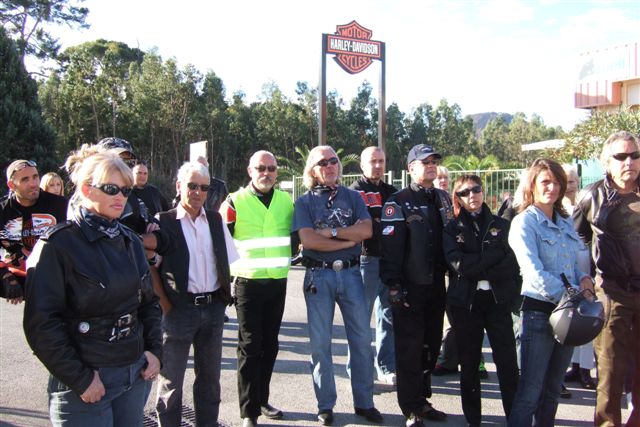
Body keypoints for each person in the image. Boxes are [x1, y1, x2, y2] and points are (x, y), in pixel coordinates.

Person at [22, 151, 162, 426]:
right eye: (111, 189)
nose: (120, 196)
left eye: (125, 190)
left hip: (133, 375)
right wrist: (80, 378)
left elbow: (149, 303)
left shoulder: (131, 242)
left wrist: (155, 351)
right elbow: (41, 324)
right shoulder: (57, 245)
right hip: (86, 384)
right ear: (86, 189)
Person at [291, 145, 382, 426]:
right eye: (323, 163)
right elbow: (308, 240)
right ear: (312, 170)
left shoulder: (353, 197)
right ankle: (325, 405)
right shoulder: (304, 202)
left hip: (353, 275)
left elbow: (366, 230)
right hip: (319, 277)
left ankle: (364, 402)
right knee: (320, 344)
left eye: (333, 161)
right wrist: (346, 241)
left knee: (362, 341)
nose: (330, 166)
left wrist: (331, 232)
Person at [507, 158, 593, 426]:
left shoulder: (565, 222)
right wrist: (571, 296)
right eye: (545, 182)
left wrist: (585, 279)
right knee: (530, 393)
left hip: (569, 317)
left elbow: (573, 264)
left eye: (557, 182)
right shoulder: (524, 223)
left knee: (553, 390)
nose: (552, 188)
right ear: (532, 185)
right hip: (539, 315)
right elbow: (533, 273)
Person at [154, 161, 239, 427]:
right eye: (192, 186)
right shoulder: (163, 221)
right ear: (179, 186)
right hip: (178, 310)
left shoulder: (215, 220)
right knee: (171, 381)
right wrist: (165, 304)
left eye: (204, 187)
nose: (198, 192)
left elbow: (227, 261)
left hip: (213, 310)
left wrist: (223, 298)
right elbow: (151, 268)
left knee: (210, 381)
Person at [380, 144, 453, 427]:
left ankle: (423, 399)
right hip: (410, 287)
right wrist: (394, 286)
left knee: (431, 346)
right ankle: (410, 407)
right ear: (411, 168)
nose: (431, 165)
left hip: (436, 285)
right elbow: (390, 249)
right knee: (409, 350)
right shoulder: (398, 201)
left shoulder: (443, 198)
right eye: (425, 162)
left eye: (434, 161)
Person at [219, 151, 294, 427]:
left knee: (270, 345)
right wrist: (223, 284)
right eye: (261, 168)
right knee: (250, 347)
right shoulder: (233, 202)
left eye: (271, 168)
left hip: (277, 282)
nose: (266, 173)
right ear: (250, 171)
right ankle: (248, 412)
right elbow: (220, 244)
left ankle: (262, 399)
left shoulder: (286, 201)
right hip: (247, 283)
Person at [573, 130, 640, 426]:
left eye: (635, 155)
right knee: (610, 374)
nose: (629, 162)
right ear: (606, 162)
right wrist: (585, 279)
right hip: (612, 293)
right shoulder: (591, 197)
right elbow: (575, 242)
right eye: (621, 156)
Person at [443, 174, 520, 427]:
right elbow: (459, 265)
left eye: (475, 189)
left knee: (507, 363)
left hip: (497, 302)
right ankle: (473, 420)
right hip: (466, 303)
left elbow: (511, 264)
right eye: (464, 192)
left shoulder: (502, 225)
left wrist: (479, 265)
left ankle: (515, 417)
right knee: (469, 364)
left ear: (483, 191)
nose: (471, 195)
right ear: (457, 198)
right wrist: (492, 257)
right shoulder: (451, 228)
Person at [349, 146, 398, 385]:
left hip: (390, 261)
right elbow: (362, 227)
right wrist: (378, 224)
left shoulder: (393, 192)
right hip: (365, 260)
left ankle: (386, 367)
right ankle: (358, 371)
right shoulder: (354, 192)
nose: (378, 165)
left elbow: (396, 225)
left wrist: (377, 222)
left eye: (381, 161)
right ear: (362, 165)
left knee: (388, 316)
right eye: (372, 161)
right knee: (360, 319)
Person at [1, 160, 67, 304]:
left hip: (56, 274)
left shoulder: (60, 205)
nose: (33, 183)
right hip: (18, 273)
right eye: (25, 179)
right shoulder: (3, 210)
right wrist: (4, 274)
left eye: (35, 177)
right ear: (11, 185)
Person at [561, 164, 597, 390]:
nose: (568, 186)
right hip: (567, 263)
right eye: (564, 182)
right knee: (570, 315)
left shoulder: (587, 202)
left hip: (586, 262)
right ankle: (573, 366)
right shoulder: (555, 207)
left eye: (572, 181)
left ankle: (585, 369)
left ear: (578, 183)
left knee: (588, 314)